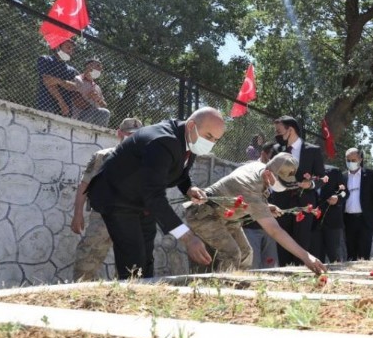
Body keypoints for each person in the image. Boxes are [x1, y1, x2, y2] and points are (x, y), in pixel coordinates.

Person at [87, 107, 223, 279]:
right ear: (191, 125)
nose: (210, 143)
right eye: (208, 136)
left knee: (146, 257)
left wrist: (188, 188)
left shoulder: (189, 140)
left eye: (216, 140)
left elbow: (177, 170)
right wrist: (188, 237)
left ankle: (143, 294)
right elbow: (154, 196)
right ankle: (129, 299)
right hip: (118, 197)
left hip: (141, 201)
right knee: (133, 259)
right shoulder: (163, 142)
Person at [185, 153, 326, 274]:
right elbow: (274, 231)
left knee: (246, 253)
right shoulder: (250, 187)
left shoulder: (259, 167)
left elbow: (245, 196)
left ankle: (238, 286)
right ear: (267, 173)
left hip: (227, 216)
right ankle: (223, 290)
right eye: (279, 181)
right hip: (204, 215)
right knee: (231, 253)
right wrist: (306, 257)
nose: (280, 186)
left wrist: (265, 206)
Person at [71, 118, 143, 281]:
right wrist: (78, 214)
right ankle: (80, 295)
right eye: (129, 134)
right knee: (87, 261)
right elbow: (84, 186)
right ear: (119, 133)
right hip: (102, 218)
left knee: (130, 268)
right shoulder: (102, 157)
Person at [271, 116, 326, 266]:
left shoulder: (312, 151)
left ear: (291, 130)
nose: (277, 135)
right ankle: (284, 273)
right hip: (281, 203)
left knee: (302, 241)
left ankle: (301, 272)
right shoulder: (276, 150)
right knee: (282, 240)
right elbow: (269, 173)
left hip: (304, 203)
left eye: (279, 131)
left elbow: (322, 177)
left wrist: (311, 185)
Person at [242, 141, 280, 269]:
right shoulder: (249, 169)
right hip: (251, 226)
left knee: (271, 266)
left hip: (270, 227)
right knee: (252, 266)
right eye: (272, 157)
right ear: (263, 154)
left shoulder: (276, 172)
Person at [342, 148, 373, 261]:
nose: (351, 163)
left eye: (353, 160)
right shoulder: (342, 177)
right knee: (350, 251)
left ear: (360, 159)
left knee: (364, 252)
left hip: (365, 219)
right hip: (348, 219)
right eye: (348, 160)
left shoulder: (370, 175)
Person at [45, 58, 111, 127]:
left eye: (101, 68)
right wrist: (90, 99)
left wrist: (98, 100)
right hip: (79, 116)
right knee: (99, 112)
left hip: (94, 116)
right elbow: (77, 102)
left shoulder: (97, 87)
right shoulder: (78, 79)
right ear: (89, 66)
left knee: (105, 112)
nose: (100, 69)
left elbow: (104, 105)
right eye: (98, 66)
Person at [310, 166, 346, 263]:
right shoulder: (305, 173)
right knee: (316, 259)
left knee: (335, 258)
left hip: (332, 223)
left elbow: (345, 192)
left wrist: (337, 198)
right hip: (313, 224)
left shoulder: (334, 172)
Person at [36, 39, 79, 117]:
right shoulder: (45, 59)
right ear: (58, 47)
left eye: (72, 49)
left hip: (66, 109)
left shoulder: (72, 70)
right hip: (47, 104)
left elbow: (76, 87)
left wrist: (58, 81)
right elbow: (47, 81)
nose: (71, 51)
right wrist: (61, 102)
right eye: (68, 47)